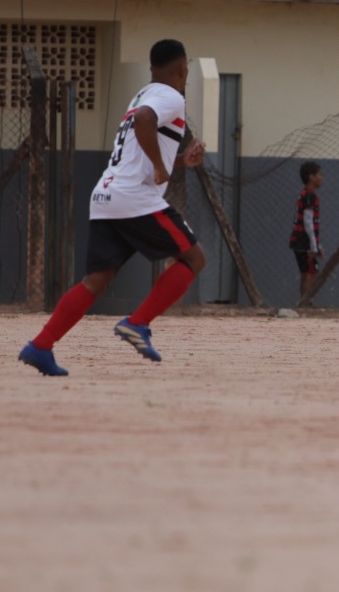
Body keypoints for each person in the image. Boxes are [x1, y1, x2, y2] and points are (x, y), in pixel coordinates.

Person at [19, 38, 207, 376]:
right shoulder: (170, 97)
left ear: (152, 68)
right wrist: (162, 168)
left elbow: (140, 145)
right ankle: (138, 323)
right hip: (135, 198)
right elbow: (145, 123)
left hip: (107, 195)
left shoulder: (142, 94)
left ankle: (40, 346)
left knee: (95, 281)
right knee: (194, 258)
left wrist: (178, 162)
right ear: (183, 69)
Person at [291, 161, 326, 301]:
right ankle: (305, 302)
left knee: (307, 272)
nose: (321, 177)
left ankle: (304, 301)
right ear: (311, 177)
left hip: (300, 240)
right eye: (319, 174)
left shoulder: (304, 194)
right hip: (303, 241)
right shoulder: (310, 196)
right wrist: (313, 246)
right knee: (310, 272)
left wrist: (317, 245)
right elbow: (308, 222)